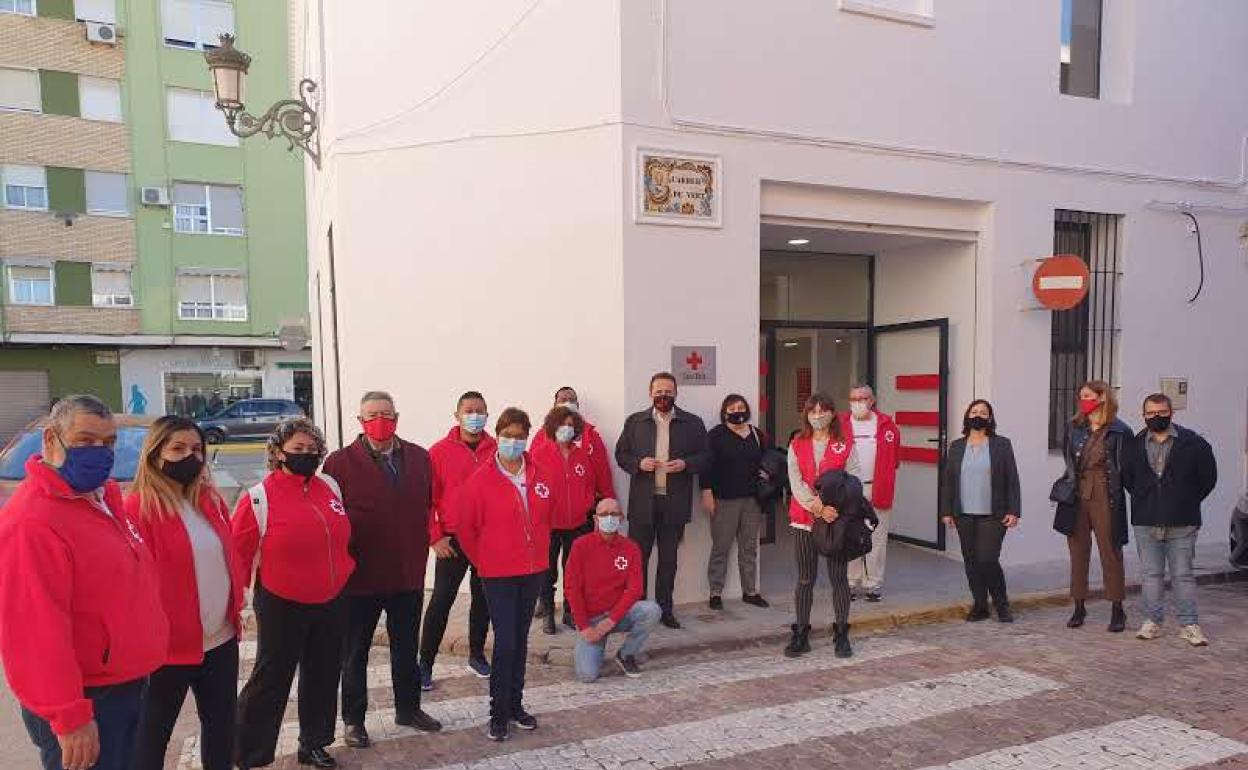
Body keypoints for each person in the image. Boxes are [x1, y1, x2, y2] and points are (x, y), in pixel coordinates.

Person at [0, 396, 168, 770]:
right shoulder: (32, 522)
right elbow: (34, 631)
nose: (100, 452)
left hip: (125, 684)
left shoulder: (102, 501)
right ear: (50, 440)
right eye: (85, 440)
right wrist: (69, 716)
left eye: (108, 443)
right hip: (87, 700)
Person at [233, 419, 354, 770]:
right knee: (271, 677)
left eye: (312, 449)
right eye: (297, 449)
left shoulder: (329, 486)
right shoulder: (258, 497)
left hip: (332, 597)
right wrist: (234, 604)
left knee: (324, 673)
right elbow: (237, 553)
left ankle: (314, 743)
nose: (306, 455)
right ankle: (248, 752)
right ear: (278, 452)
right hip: (281, 599)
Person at [323, 392, 442, 750]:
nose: (380, 420)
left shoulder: (420, 458)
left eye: (386, 414)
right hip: (360, 579)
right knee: (354, 653)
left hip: (407, 574)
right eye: (372, 415)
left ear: (397, 418)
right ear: (360, 421)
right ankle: (354, 721)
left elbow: (429, 505)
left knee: (406, 649)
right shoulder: (339, 463)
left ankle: (409, 709)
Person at [128, 417, 245, 770]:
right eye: (177, 448)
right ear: (154, 454)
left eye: (196, 449)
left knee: (222, 730)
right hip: (166, 651)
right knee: (150, 738)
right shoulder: (137, 509)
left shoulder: (209, 501)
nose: (189, 457)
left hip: (220, 640)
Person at [455, 408, 555, 742]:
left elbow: (547, 517)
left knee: (521, 639)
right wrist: (485, 560)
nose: (513, 441)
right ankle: (498, 713)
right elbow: (466, 528)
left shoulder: (540, 473)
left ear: (527, 437)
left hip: (532, 571)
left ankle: (516, 705)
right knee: (506, 642)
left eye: (519, 435)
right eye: (507, 435)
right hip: (497, 574)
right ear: (498, 436)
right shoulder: (481, 479)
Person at [614, 372, 711, 629]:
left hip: (674, 503)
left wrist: (687, 463)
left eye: (668, 392)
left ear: (676, 394)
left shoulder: (693, 423)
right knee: (638, 559)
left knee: (668, 560)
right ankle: (638, 610)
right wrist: (639, 463)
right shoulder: (635, 422)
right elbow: (621, 454)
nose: (663, 396)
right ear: (650, 393)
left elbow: (706, 457)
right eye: (658, 392)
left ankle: (664, 609)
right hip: (642, 504)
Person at [1122, 393, 1218, 646]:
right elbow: (1129, 479)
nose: (1156, 417)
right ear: (1143, 415)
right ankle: (1152, 621)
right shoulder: (1134, 444)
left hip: (1183, 520)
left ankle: (1189, 624)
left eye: (1161, 412)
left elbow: (1208, 478)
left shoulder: (1193, 442)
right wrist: (1148, 499)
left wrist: (1185, 499)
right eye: (1150, 413)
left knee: (1183, 574)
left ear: (1171, 412)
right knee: (1151, 574)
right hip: (1146, 519)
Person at [419, 391, 495, 689]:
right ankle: (425, 663)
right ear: (457, 415)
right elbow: (427, 500)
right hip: (451, 541)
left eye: (480, 410)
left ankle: (476, 654)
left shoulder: (495, 449)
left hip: (487, 539)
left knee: (483, 600)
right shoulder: (438, 452)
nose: (474, 415)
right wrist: (435, 537)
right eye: (468, 410)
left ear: (487, 414)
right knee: (441, 601)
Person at [785, 393, 861, 658]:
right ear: (806, 414)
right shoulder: (797, 443)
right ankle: (801, 633)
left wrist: (834, 509)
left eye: (823, 410)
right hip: (805, 520)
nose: (818, 415)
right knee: (806, 578)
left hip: (835, 522)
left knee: (839, 579)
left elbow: (854, 482)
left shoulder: (845, 444)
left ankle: (841, 633)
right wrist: (816, 507)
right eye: (812, 411)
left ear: (832, 413)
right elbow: (795, 481)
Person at [1060, 380, 1132, 633]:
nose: (1083, 400)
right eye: (1081, 396)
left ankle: (1117, 608)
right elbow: (1067, 458)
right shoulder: (1074, 426)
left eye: (1088, 395)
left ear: (1102, 397)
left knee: (1110, 551)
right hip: (1078, 491)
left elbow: (1127, 468)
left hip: (1106, 491)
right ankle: (1078, 605)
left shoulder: (1120, 430)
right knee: (1078, 550)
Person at [940, 400, 1021, 624]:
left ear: (990, 419)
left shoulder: (1001, 445)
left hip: (993, 514)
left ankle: (1002, 605)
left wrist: (1014, 510)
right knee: (971, 560)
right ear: (967, 416)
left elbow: (1012, 480)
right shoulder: (957, 446)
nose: (978, 415)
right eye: (974, 411)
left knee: (988, 559)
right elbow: (948, 481)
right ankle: (980, 605)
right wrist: (946, 510)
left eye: (983, 413)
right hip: (963, 513)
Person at [566, 498, 663, 682]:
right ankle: (589, 647)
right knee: (587, 676)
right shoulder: (581, 546)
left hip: (618, 615)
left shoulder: (631, 548)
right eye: (603, 514)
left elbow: (635, 589)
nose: (609, 518)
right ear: (595, 519)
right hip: (592, 620)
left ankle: (626, 654)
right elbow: (572, 588)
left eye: (614, 513)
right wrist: (585, 627)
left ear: (621, 518)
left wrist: (610, 621)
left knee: (652, 610)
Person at [529, 405, 597, 634]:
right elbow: (531, 487)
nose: (566, 429)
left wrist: (587, 506)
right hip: (549, 524)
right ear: (552, 427)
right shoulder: (539, 454)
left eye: (571, 425)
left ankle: (571, 611)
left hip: (577, 524)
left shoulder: (581, 455)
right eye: (562, 424)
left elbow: (589, 484)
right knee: (547, 571)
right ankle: (547, 611)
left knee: (574, 570)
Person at [702, 393, 770, 610]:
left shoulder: (756, 434)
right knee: (721, 547)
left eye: (740, 407)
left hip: (752, 500)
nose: (736, 411)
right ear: (725, 411)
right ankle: (715, 592)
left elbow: (769, 459)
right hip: (724, 500)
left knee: (749, 548)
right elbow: (706, 466)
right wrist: (706, 492)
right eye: (731, 408)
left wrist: (768, 473)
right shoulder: (715, 435)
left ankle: (750, 591)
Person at [842, 385, 901, 602]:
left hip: (877, 488)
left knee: (876, 537)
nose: (858, 402)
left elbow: (895, 460)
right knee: (850, 536)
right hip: (849, 489)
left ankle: (873, 583)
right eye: (853, 398)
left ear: (872, 400)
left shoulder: (887, 425)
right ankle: (850, 582)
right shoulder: (841, 424)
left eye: (863, 398)